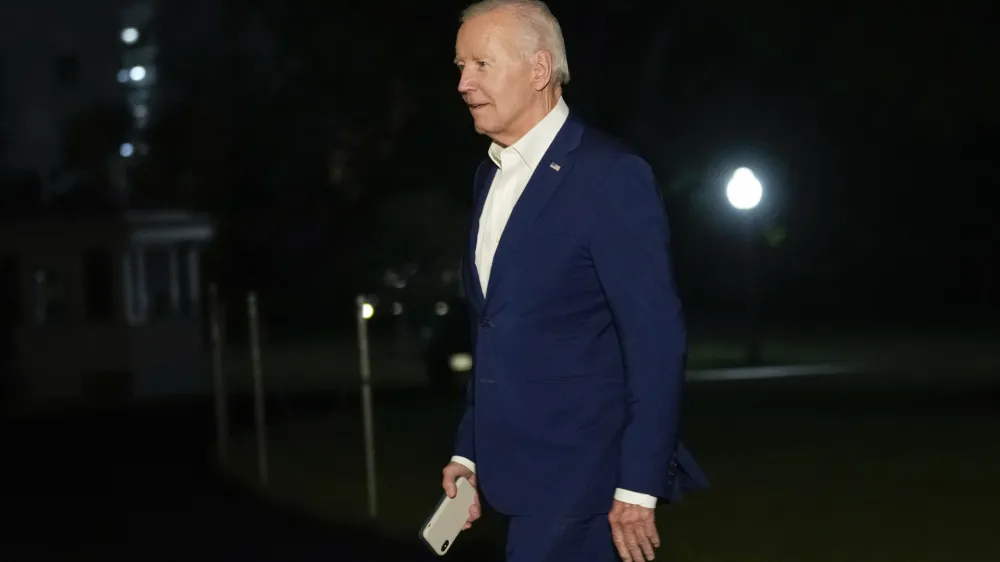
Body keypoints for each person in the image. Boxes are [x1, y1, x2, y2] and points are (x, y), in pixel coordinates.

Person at [441, 1, 709, 561]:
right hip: (514, 478)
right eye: (460, 66)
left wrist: (636, 486)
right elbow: (493, 330)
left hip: (590, 490)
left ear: (539, 71)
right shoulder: (488, 176)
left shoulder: (609, 177)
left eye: (480, 65)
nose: (463, 82)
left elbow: (655, 341)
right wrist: (469, 454)